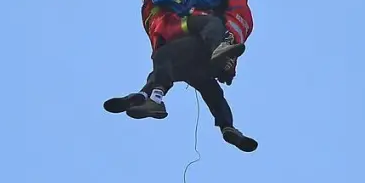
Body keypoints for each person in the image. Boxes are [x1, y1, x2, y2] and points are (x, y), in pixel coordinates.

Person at [103, 34, 259, 152]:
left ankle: (143, 97)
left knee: (158, 75)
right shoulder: (210, 22)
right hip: (198, 64)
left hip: (179, 63)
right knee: (215, 95)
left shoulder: (154, 18)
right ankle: (227, 126)